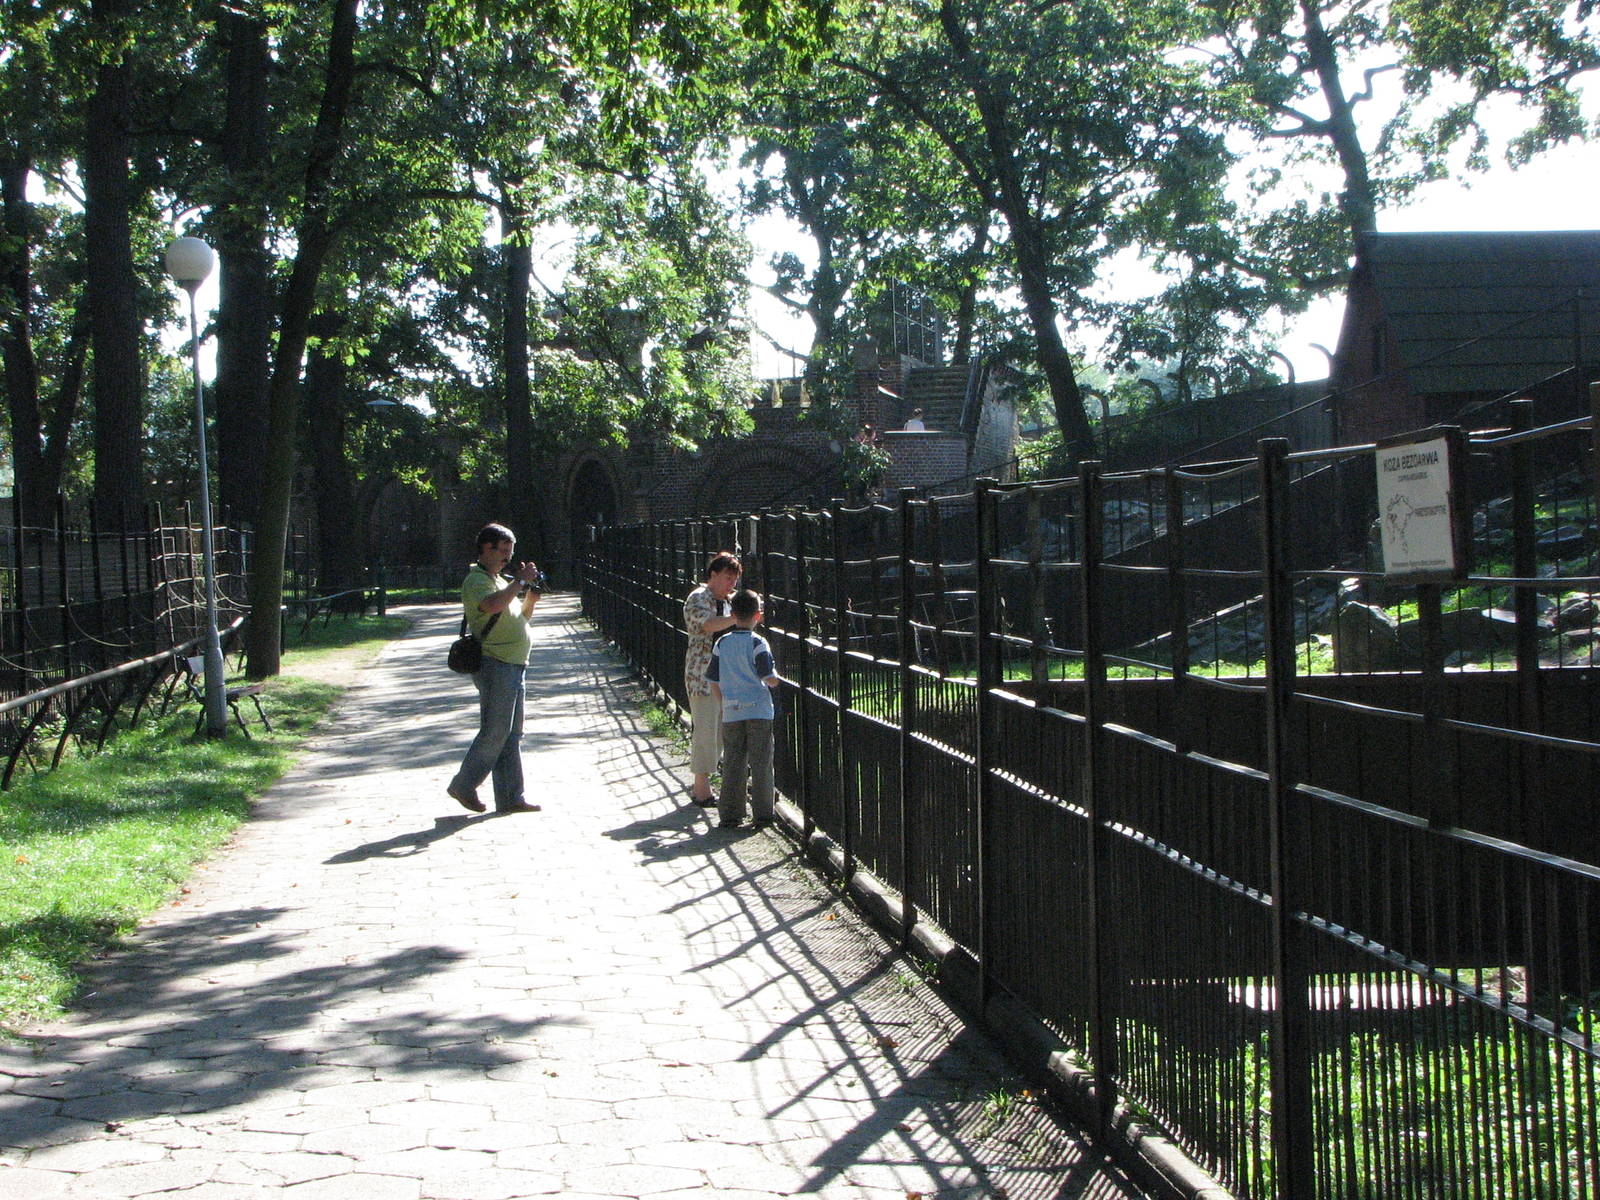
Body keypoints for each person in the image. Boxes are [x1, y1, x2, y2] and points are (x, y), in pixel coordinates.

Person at [447, 522, 544, 815]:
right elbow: (490, 607)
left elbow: (519, 619)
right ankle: (464, 785)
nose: (507, 557)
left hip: (515, 663)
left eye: (510, 552)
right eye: (502, 551)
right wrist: (519, 582)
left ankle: (511, 796)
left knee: (512, 734)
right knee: (495, 731)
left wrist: (530, 598)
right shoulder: (476, 580)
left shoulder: (500, 580)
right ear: (485, 549)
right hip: (496, 663)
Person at [707, 589, 779, 829]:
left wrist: (723, 703)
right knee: (761, 762)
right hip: (758, 710)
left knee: (733, 762)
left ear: (733, 613)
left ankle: (730, 813)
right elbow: (767, 675)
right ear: (758, 616)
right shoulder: (759, 643)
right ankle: (763, 814)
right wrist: (776, 680)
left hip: (732, 711)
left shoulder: (722, 643)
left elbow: (713, 679)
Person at [683, 551, 742, 805]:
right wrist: (736, 617)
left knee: (720, 731)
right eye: (728, 577)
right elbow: (707, 625)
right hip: (702, 675)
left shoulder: (730, 601)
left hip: (727, 676)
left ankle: (705, 783)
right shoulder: (698, 598)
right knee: (706, 729)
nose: (732, 584)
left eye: (735, 579)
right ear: (713, 575)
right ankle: (701, 788)